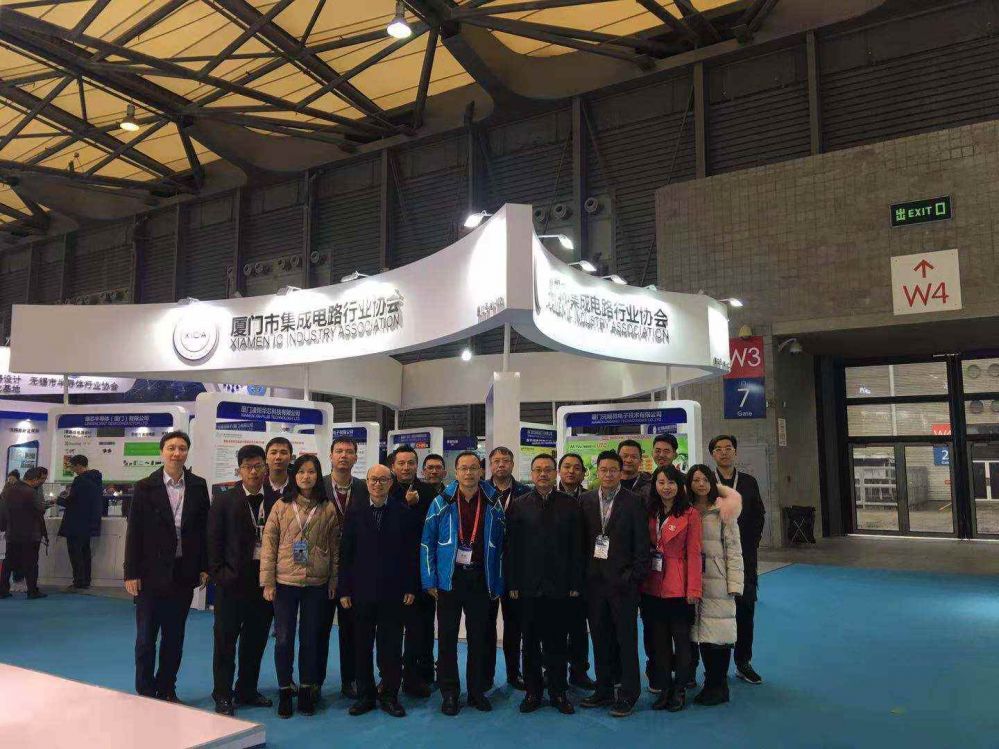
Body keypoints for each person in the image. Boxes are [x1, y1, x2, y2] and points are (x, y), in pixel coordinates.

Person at [123, 431, 210, 703]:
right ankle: (145, 689)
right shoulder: (145, 486)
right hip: (150, 574)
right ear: (162, 452)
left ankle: (167, 686)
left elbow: (204, 530)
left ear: (187, 452)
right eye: (171, 448)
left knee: (174, 637)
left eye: (182, 448)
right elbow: (134, 532)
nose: (176, 453)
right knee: (146, 638)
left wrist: (204, 566)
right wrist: (131, 572)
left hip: (183, 573)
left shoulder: (198, 485)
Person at [421, 451, 505, 716]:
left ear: (481, 471)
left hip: (481, 578)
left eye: (473, 468)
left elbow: (503, 545)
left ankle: (477, 691)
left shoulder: (493, 502)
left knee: (479, 637)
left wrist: (498, 580)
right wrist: (429, 579)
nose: (468, 473)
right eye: (463, 468)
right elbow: (427, 543)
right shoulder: (441, 502)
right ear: (455, 472)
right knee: (447, 638)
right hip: (449, 579)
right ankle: (449, 692)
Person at [260, 454, 341, 719]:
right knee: (283, 639)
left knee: (310, 639)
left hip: (317, 583)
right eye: (301, 472)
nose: (306, 477)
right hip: (285, 583)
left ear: (318, 475)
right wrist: (267, 582)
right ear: (294, 476)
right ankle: (285, 689)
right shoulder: (281, 506)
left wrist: (333, 580)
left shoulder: (327, 508)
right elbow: (269, 545)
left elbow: (335, 548)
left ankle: (306, 689)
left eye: (311, 472)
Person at [338, 464, 419, 718]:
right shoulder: (354, 512)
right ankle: (365, 695)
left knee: (391, 647)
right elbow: (346, 553)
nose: (377, 484)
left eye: (383, 480)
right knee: (361, 646)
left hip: (393, 592)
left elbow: (411, 553)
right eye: (373, 479)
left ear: (391, 483)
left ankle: (390, 695)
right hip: (360, 592)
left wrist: (411, 585)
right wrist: (344, 589)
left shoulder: (403, 512)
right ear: (367, 482)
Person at [506, 454, 581, 715]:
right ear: (532, 474)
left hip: (559, 586)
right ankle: (533, 692)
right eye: (537, 470)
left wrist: (575, 582)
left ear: (555, 473)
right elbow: (511, 547)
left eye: (548, 469)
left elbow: (577, 547)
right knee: (529, 643)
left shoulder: (570, 505)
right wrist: (513, 582)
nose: (543, 474)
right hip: (528, 587)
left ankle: (558, 692)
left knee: (557, 642)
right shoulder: (519, 505)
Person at [579, 450, 649, 718]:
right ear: (597, 471)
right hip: (594, 584)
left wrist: (633, 577)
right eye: (603, 469)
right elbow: (581, 542)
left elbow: (642, 543)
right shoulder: (585, 500)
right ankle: (604, 689)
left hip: (623, 584)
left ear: (621, 473)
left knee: (626, 641)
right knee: (600, 639)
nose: (608, 474)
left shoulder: (634, 501)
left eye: (613, 470)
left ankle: (629, 694)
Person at [207, 445, 275, 716]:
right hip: (232, 582)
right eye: (248, 467)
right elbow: (213, 540)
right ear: (239, 470)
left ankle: (247, 689)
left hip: (264, 582)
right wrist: (220, 574)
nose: (254, 472)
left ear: (265, 468)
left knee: (255, 640)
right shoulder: (224, 500)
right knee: (225, 640)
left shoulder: (276, 499)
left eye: (258, 466)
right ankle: (222, 693)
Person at [641, 464, 701, 712]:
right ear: (655, 485)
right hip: (652, 585)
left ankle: (680, 689)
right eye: (661, 482)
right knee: (660, 643)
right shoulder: (649, 512)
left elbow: (694, 554)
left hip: (679, 587)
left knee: (682, 641)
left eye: (672, 482)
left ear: (680, 486)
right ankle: (665, 688)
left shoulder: (690, 513)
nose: (666, 487)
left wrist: (694, 590)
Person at [710, 434, 765, 686]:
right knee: (715, 613)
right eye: (718, 449)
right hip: (714, 558)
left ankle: (743, 662)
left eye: (728, 448)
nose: (724, 452)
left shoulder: (749, 482)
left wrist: (749, 546)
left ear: (735, 452)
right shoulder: (707, 482)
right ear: (712, 454)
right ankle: (715, 668)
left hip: (744, 558)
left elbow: (758, 515)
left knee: (745, 609)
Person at [317, 436, 369, 701]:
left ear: (356, 457)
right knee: (318, 630)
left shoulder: (364, 488)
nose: (344, 456)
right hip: (322, 569)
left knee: (352, 631)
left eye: (349, 452)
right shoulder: (317, 486)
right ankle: (313, 683)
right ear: (330, 455)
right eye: (339, 451)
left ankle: (351, 680)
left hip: (353, 570)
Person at [687, 464, 743, 706]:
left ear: (712, 483)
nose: (701, 484)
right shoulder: (686, 509)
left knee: (718, 636)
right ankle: (710, 683)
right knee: (701, 634)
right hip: (693, 582)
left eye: (705, 479)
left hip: (718, 582)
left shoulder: (724, 510)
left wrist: (735, 584)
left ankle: (718, 685)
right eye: (696, 480)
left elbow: (734, 550)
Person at [388, 445, 437, 696]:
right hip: (392, 571)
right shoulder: (385, 490)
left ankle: (418, 675)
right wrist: (406, 505)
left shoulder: (429, 492)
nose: (406, 467)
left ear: (417, 466)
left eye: (410, 463)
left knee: (421, 627)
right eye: (401, 463)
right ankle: (390, 677)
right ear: (393, 466)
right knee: (392, 628)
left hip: (421, 570)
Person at [485, 446, 529, 691]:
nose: (501, 464)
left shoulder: (525, 493)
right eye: (496, 461)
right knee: (486, 625)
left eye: (505, 460)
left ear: (512, 464)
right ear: (490, 465)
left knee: (514, 626)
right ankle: (487, 675)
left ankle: (514, 673)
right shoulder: (480, 490)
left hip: (515, 569)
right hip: (487, 569)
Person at [556, 452, 594, 689]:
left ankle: (579, 672)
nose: (571, 471)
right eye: (567, 467)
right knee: (554, 627)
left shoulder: (590, 499)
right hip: (555, 573)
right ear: (559, 471)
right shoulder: (548, 496)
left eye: (576, 468)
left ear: (583, 473)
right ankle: (553, 671)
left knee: (579, 627)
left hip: (583, 572)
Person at [0, 468, 49, 599]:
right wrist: (46, 505)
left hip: (12, 533)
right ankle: (32, 591)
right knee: (31, 563)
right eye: (41, 479)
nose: (41, 482)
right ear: (35, 479)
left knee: (8, 562)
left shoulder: (9, 490)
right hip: (30, 533)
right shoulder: (31, 492)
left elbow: (3, 510)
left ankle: (3, 589)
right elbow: (39, 509)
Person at [58, 455, 104, 590]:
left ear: (78, 465)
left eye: (72, 467)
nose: (72, 470)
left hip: (75, 523)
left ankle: (78, 581)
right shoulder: (96, 479)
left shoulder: (80, 480)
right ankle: (86, 580)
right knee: (85, 552)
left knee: (75, 553)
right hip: (89, 523)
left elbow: (72, 502)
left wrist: (58, 500)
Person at [264, 437, 294, 507]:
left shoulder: (299, 485)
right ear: (266, 458)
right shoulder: (258, 484)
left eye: (283, 453)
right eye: (273, 453)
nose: (278, 457)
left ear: (291, 458)